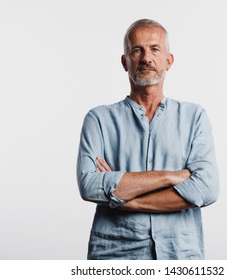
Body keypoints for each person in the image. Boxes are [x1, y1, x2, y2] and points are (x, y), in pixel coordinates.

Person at [76, 19, 219, 260]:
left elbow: (206, 189)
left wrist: (123, 199)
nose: (146, 58)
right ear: (125, 62)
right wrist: (169, 176)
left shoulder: (194, 117)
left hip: (180, 255)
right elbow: (89, 185)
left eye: (155, 49)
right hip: (114, 254)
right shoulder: (98, 119)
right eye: (137, 50)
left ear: (168, 61)